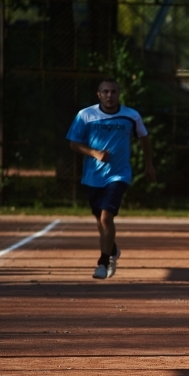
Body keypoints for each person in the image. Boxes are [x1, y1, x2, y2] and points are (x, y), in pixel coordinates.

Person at [67, 78, 156, 279]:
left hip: (119, 174)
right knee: (101, 219)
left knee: (107, 217)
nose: (110, 95)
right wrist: (94, 153)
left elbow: (144, 139)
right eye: (105, 92)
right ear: (99, 95)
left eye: (113, 92)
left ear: (119, 94)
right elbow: (73, 143)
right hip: (93, 176)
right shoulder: (86, 115)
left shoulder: (131, 116)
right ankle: (113, 249)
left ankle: (102, 262)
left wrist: (149, 164)